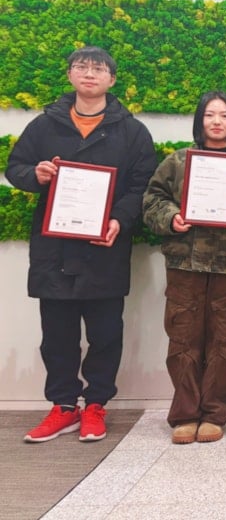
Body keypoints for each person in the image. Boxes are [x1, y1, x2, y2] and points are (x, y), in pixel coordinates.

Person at [6, 45, 158, 443]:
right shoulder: (45, 126)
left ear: (112, 78)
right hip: (54, 248)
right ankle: (63, 406)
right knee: (57, 334)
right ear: (70, 74)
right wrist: (35, 175)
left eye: (98, 68)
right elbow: (15, 167)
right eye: (81, 66)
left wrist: (119, 219)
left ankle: (95, 405)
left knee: (106, 333)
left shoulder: (132, 132)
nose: (89, 73)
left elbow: (143, 185)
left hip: (104, 246)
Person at [142, 90, 226, 444]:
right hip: (184, 262)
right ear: (200, 120)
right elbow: (152, 200)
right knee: (183, 337)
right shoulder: (177, 161)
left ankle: (215, 413)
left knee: (224, 340)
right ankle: (185, 414)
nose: (217, 121)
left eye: (224, 115)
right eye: (210, 115)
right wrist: (172, 218)